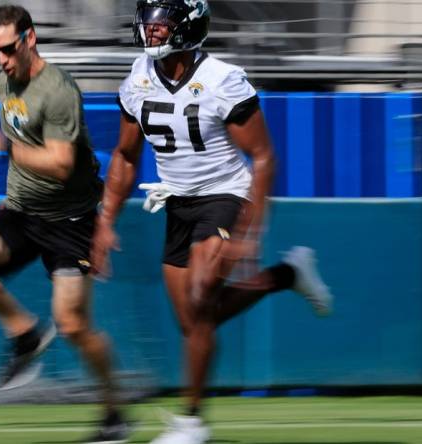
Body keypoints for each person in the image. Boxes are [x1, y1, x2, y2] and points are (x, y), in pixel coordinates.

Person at [90, 1, 334, 443]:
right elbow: (126, 155)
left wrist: (249, 232)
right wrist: (105, 220)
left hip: (226, 195)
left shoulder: (222, 80)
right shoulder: (138, 77)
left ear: (187, 28)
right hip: (178, 202)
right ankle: (287, 274)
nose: (152, 33)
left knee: (203, 297)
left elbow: (262, 157)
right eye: (149, 25)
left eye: (161, 26)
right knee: (196, 322)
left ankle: (191, 423)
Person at [0, 5, 129, 443]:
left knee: (73, 327)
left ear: (30, 39)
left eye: (8, 49)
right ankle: (25, 333)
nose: (2, 60)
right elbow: (22, 139)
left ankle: (114, 413)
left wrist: (2, 148)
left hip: (70, 221)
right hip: (21, 210)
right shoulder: (2, 83)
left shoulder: (59, 90)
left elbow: (62, 165)